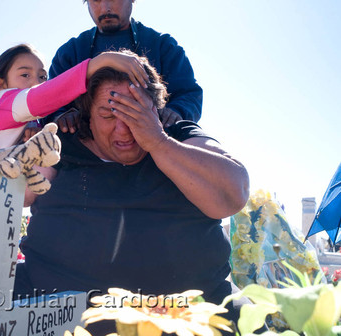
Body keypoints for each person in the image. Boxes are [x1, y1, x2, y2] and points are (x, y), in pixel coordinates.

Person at [16, 51, 249, 334]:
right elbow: (14, 195)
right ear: (87, 116)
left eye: (136, 113)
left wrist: (158, 142)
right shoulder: (60, 144)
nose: (124, 130)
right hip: (60, 321)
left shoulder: (180, 135)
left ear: (157, 111)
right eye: (108, 114)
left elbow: (233, 194)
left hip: (192, 318)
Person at [0, 44, 148, 315]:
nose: (35, 82)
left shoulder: (26, 126)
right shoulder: (2, 103)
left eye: (42, 76)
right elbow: (43, 98)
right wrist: (97, 64)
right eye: (25, 74)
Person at [49, 0, 203, 133]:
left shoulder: (163, 46)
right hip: (85, 155)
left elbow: (189, 94)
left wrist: (177, 111)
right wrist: (61, 117)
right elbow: (49, 100)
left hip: (154, 151)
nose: (105, 8)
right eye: (96, 0)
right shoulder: (69, 53)